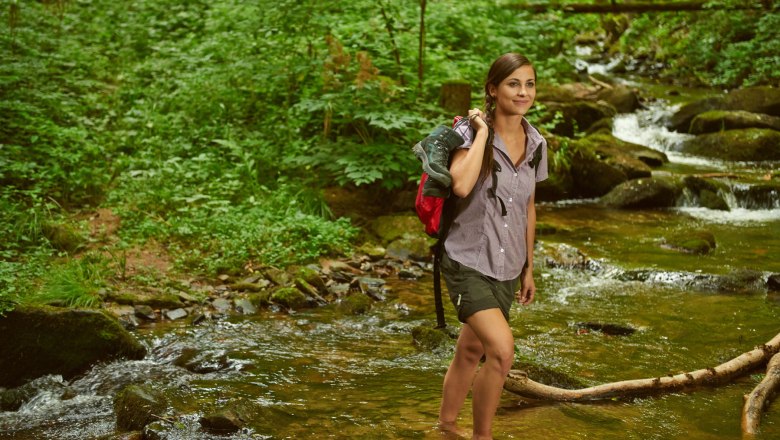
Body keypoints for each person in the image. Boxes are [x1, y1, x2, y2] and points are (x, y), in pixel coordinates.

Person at [437, 52, 548, 439]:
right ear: (493, 89)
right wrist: (483, 134)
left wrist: (528, 267)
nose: (523, 92)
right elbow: (461, 186)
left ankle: (446, 427)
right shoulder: (469, 134)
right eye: (513, 84)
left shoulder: (536, 143)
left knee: (471, 351)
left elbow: (528, 207)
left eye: (529, 84)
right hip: (466, 258)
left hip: (507, 264)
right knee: (501, 352)